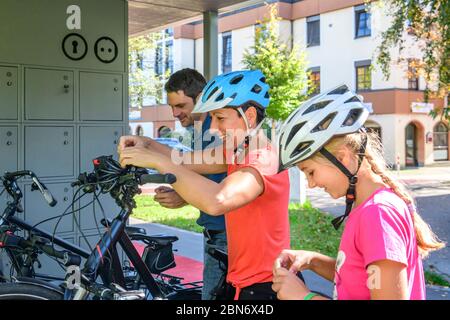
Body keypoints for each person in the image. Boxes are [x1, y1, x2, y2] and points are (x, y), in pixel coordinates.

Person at [118, 70, 291, 300]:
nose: (212, 128)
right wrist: (147, 144)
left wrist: (157, 161)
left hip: (263, 285)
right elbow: (184, 160)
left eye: (220, 118)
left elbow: (217, 200)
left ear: (249, 116)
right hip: (240, 280)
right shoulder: (237, 152)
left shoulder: (263, 157)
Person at [272, 84, 445, 300]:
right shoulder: (367, 207)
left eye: (310, 172)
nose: (311, 184)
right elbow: (361, 279)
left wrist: (304, 297)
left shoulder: (378, 215)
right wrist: (313, 261)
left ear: (342, 158)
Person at [156, 68, 228, 300]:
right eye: (172, 107)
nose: (175, 113)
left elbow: (222, 181)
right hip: (214, 231)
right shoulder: (198, 128)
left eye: (181, 106)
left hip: (226, 234)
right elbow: (201, 172)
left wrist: (183, 196)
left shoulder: (214, 131)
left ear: (200, 99)